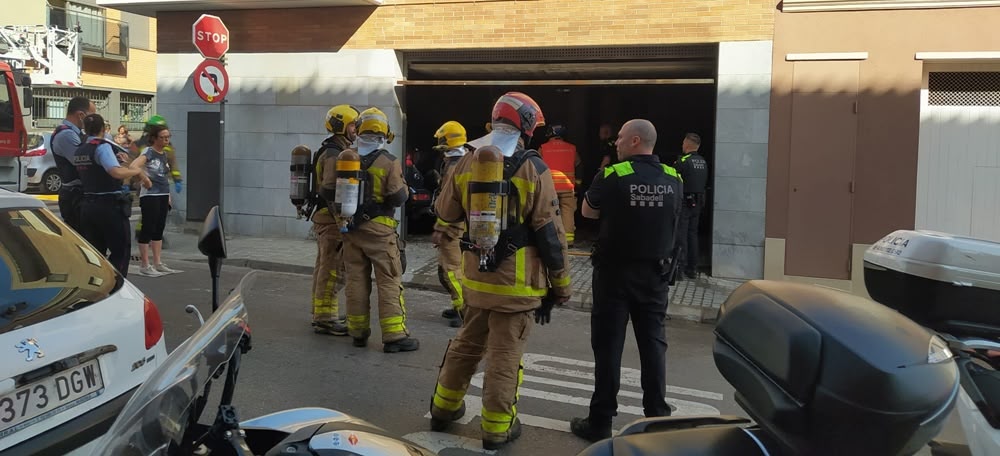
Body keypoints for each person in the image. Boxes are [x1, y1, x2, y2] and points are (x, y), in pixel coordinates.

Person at [428, 92, 571, 450]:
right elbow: (551, 235)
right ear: (525, 125)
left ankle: (443, 409)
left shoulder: (467, 161)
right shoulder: (533, 167)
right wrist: (561, 285)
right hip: (518, 286)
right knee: (504, 357)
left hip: (476, 279)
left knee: (465, 345)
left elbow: (445, 213)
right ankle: (496, 427)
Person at [570, 119, 683, 442]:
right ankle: (658, 418)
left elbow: (588, 213)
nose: (616, 143)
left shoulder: (612, 175)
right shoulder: (674, 177)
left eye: (620, 138)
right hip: (656, 276)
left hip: (614, 276)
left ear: (635, 141)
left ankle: (600, 421)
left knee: (608, 348)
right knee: (653, 346)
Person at [340, 107, 419, 353]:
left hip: (351, 229)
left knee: (355, 279)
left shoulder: (346, 158)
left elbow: (328, 191)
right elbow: (397, 197)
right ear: (385, 134)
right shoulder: (388, 161)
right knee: (388, 280)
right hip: (380, 231)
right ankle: (394, 335)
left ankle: (358, 331)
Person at [75, 113, 149, 277]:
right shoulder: (102, 147)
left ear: (85, 129)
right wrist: (136, 170)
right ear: (103, 129)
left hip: (88, 205)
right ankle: (117, 287)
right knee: (120, 250)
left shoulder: (80, 149)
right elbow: (115, 172)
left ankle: (98, 285)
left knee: (95, 252)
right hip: (108, 205)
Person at [309, 104, 360, 335]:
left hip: (324, 219)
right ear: (341, 126)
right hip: (331, 221)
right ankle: (325, 318)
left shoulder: (331, 149)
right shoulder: (334, 154)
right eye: (352, 124)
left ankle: (321, 312)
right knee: (333, 270)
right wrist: (342, 220)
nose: (355, 129)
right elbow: (331, 191)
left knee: (324, 267)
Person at [432, 120, 472, 328]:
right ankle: (458, 304)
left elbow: (448, 201)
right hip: (460, 223)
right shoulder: (464, 160)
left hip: (452, 224)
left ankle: (463, 309)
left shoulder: (454, 166)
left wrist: (440, 228)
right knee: (451, 267)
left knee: (451, 269)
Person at [130, 124, 181, 277]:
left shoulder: (164, 154)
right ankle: (145, 264)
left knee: (159, 228)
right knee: (148, 228)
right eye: (163, 137)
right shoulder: (149, 152)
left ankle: (158, 262)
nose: (166, 140)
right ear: (154, 138)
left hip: (162, 195)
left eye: (168, 137)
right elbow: (134, 166)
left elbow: (164, 176)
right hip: (150, 195)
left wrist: (169, 195)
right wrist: (145, 179)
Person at [51, 96, 96, 232]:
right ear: (81, 115)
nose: (94, 120)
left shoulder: (76, 133)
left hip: (79, 195)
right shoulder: (66, 134)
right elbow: (83, 162)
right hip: (74, 197)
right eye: (92, 116)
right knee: (83, 240)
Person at [673, 133, 709, 279]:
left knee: (681, 234)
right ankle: (692, 269)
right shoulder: (703, 161)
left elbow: (673, 180)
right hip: (699, 201)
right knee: (693, 234)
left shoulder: (683, 161)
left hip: (685, 201)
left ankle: (679, 269)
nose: (682, 146)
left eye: (683, 143)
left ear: (687, 144)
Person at [539, 124, 579, 247]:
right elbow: (577, 162)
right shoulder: (572, 148)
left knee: (549, 211)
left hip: (549, 186)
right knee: (568, 211)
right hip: (567, 185)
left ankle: (551, 238)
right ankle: (569, 240)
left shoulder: (543, 148)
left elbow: (537, 164)